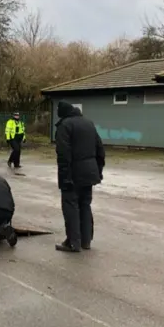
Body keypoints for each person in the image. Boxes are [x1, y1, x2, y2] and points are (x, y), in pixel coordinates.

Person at [54, 101, 105, 252]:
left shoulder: (65, 126)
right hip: (89, 173)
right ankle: (85, 241)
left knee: (70, 206)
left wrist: (65, 177)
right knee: (85, 205)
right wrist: (98, 170)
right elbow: (100, 150)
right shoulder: (88, 123)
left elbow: (63, 154)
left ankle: (73, 242)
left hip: (73, 173)